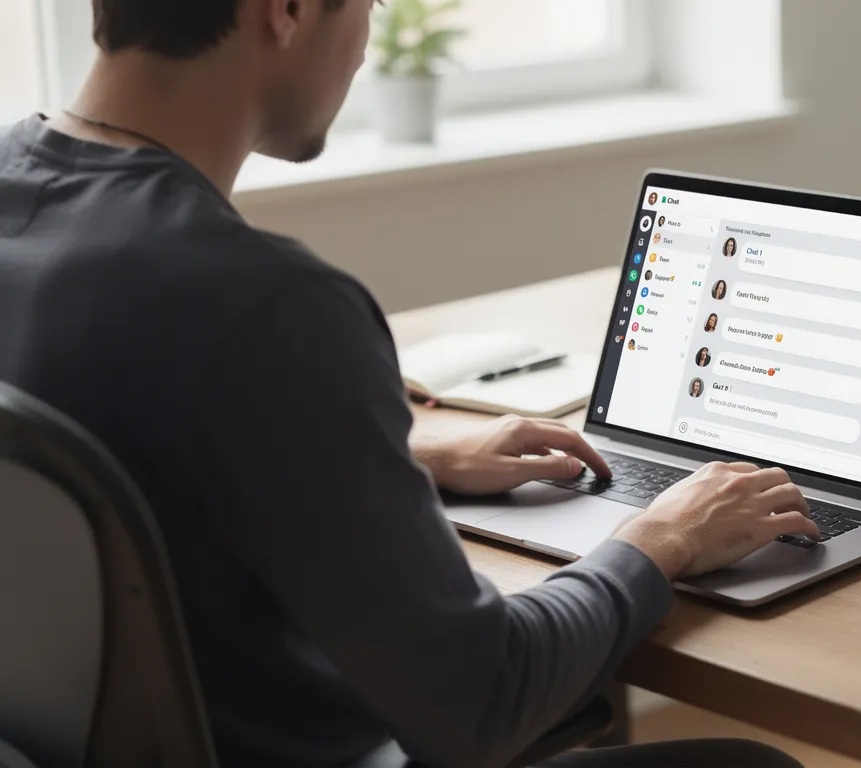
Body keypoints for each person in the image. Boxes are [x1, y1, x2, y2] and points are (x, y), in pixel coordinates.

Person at [0, 3, 818, 768]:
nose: (363, 46)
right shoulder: (265, 303)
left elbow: (121, 436)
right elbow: (483, 702)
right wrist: (661, 538)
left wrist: (399, 452)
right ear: (284, 10)